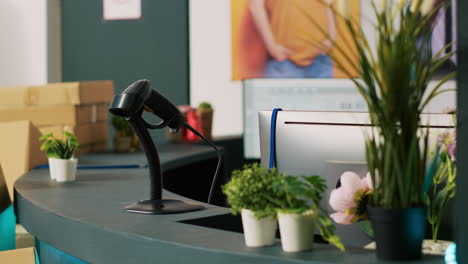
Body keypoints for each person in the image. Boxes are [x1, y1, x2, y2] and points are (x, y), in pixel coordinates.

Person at [248, 0, 337, 78]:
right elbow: (255, 5)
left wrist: (331, 37)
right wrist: (272, 47)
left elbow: (329, 3)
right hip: (284, 61)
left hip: (321, 59)